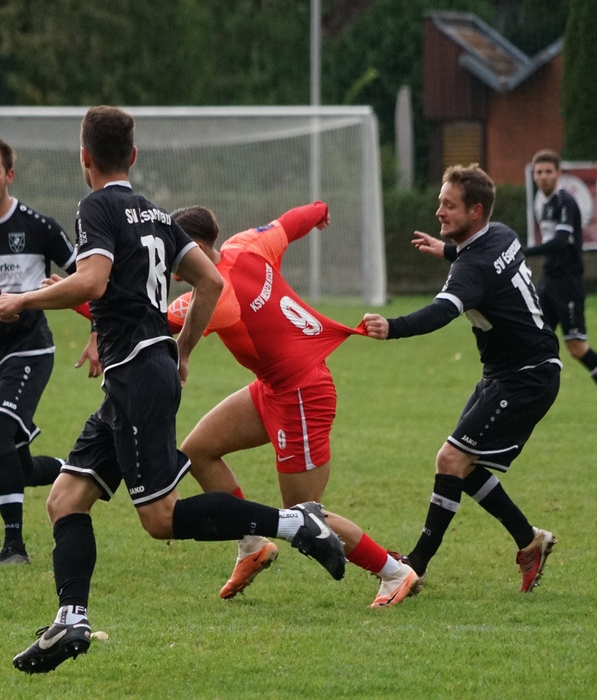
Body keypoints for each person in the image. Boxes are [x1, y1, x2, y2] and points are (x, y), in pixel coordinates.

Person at [0, 105, 346, 675]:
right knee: (64, 500)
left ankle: (293, 525)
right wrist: (181, 349)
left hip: (137, 376)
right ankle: (71, 619)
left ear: (84, 158)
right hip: (137, 376)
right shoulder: (157, 215)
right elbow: (210, 280)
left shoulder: (96, 206)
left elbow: (92, 281)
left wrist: (23, 299)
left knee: (160, 517)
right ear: (133, 156)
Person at [169, 203, 419, 608]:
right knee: (197, 451)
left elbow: (147, 320)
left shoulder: (214, 295)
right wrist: (319, 211)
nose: (170, 267)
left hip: (302, 394)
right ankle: (252, 544)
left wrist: (76, 295)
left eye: (172, 253)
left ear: (194, 248)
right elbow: (289, 223)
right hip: (274, 388)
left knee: (303, 515)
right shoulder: (246, 245)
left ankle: (394, 571)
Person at [362, 164, 560, 594]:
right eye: (440, 202)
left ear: (475, 211)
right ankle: (529, 540)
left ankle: (415, 566)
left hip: (525, 377)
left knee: (451, 460)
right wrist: (449, 251)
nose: (438, 211)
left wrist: (391, 327)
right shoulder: (501, 234)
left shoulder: (473, 267)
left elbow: (441, 312)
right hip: (515, 371)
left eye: (448, 205)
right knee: (462, 466)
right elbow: (485, 266)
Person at [0, 134, 82, 565]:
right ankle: (82, 470)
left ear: (9, 175)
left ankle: (14, 547)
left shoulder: (39, 227)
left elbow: (88, 276)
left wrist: (96, 332)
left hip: (32, 349)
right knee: (20, 465)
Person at [528, 149, 597, 423]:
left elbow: (561, 242)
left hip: (568, 283)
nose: (544, 176)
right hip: (548, 279)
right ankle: (529, 401)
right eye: (539, 172)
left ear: (558, 174)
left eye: (548, 172)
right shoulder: (543, 202)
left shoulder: (566, 202)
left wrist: (524, 251)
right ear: (534, 176)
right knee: (536, 339)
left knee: (576, 346)